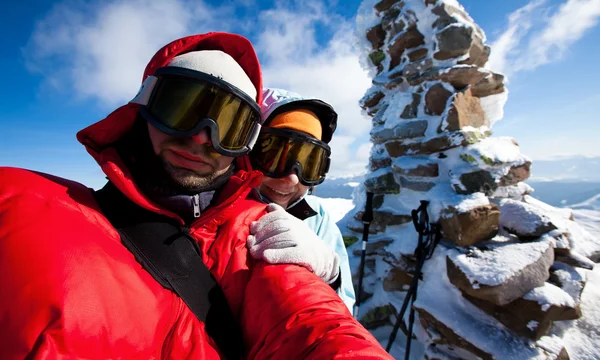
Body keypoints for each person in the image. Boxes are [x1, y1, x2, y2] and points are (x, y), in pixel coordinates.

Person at [0, 32, 393, 359]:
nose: (202, 136)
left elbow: (316, 323)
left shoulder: (287, 228)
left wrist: (331, 274)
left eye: (310, 162)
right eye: (182, 107)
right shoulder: (25, 206)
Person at [247, 88, 355, 313]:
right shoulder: (214, 210)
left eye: (308, 163)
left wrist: (332, 278)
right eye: (274, 156)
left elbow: (343, 312)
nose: (292, 177)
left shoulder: (317, 217)